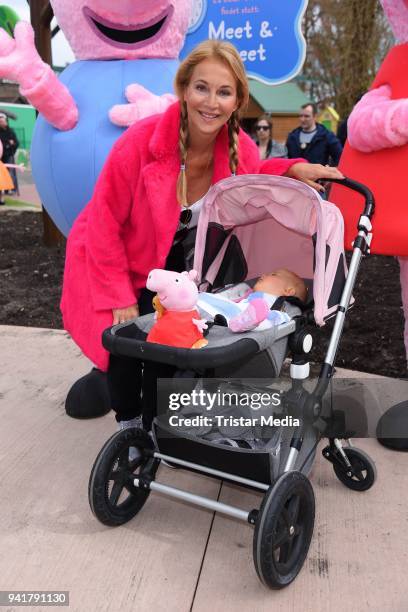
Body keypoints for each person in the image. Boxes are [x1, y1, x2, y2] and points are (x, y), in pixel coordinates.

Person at [61, 40, 343, 435]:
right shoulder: (139, 143)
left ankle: (156, 424)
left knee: (169, 346)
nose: (211, 102)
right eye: (201, 88)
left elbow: (254, 181)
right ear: (184, 89)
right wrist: (118, 295)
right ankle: (128, 428)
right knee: (127, 347)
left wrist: (293, 169)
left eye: (224, 92)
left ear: (237, 101)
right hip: (121, 263)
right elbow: (103, 222)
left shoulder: (239, 149)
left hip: (183, 269)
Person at [198, 268, 307, 332]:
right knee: (208, 298)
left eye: (273, 274)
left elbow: (279, 320)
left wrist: (256, 320)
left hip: (238, 321)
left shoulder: (283, 305)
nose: (264, 275)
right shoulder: (247, 294)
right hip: (236, 312)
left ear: (289, 291)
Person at [0, 112, 19, 197]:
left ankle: (13, 189)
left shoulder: (11, 131)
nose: (2, 122)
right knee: (3, 174)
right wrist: (8, 143)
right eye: (0, 121)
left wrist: (11, 145)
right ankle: (6, 189)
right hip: (1, 156)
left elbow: (16, 142)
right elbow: (3, 143)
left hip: (9, 155)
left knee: (11, 172)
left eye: (3, 121)